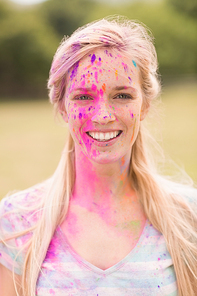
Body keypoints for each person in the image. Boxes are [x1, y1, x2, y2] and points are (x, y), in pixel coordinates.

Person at [0, 16, 196, 296]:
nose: (103, 115)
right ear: (63, 107)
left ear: (144, 106)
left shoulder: (188, 216)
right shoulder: (18, 221)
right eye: (83, 97)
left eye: (122, 96)